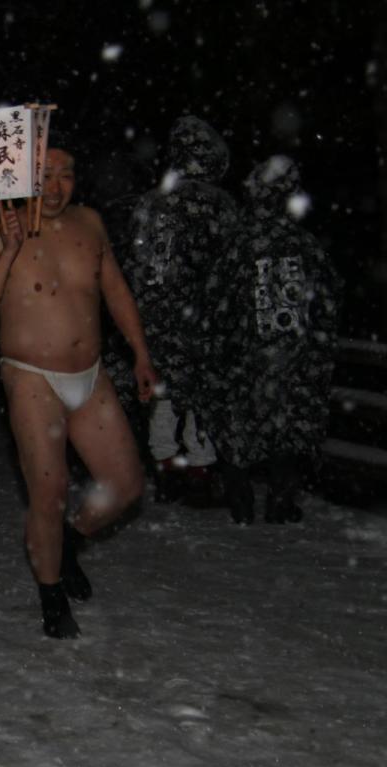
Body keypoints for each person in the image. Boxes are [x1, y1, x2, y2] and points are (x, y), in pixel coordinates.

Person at [0, 147, 157, 639]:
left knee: (125, 486)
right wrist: (8, 251)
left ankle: (70, 541)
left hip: (89, 374)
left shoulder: (90, 223)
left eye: (65, 175)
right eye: (44, 175)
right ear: (22, 178)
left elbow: (114, 289)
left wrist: (140, 352)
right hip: (31, 377)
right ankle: (52, 596)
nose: (55, 186)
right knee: (47, 494)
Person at [200, 155, 340, 524]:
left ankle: (241, 502)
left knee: (238, 428)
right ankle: (280, 501)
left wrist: (222, 348)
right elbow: (326, 304)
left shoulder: (238, 243)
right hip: (292, 360)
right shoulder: (305, 245)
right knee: (287, 429)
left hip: (244, 360)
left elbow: (215, 303)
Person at [121, 116, 239, 505]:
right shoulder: (220, 205)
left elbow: (134, 263)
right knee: (200, 399)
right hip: (202, 324)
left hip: (154, 321)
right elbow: (230, 269)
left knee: (163, 396)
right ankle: (200, 474)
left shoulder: (151, 202)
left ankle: (167, 469)